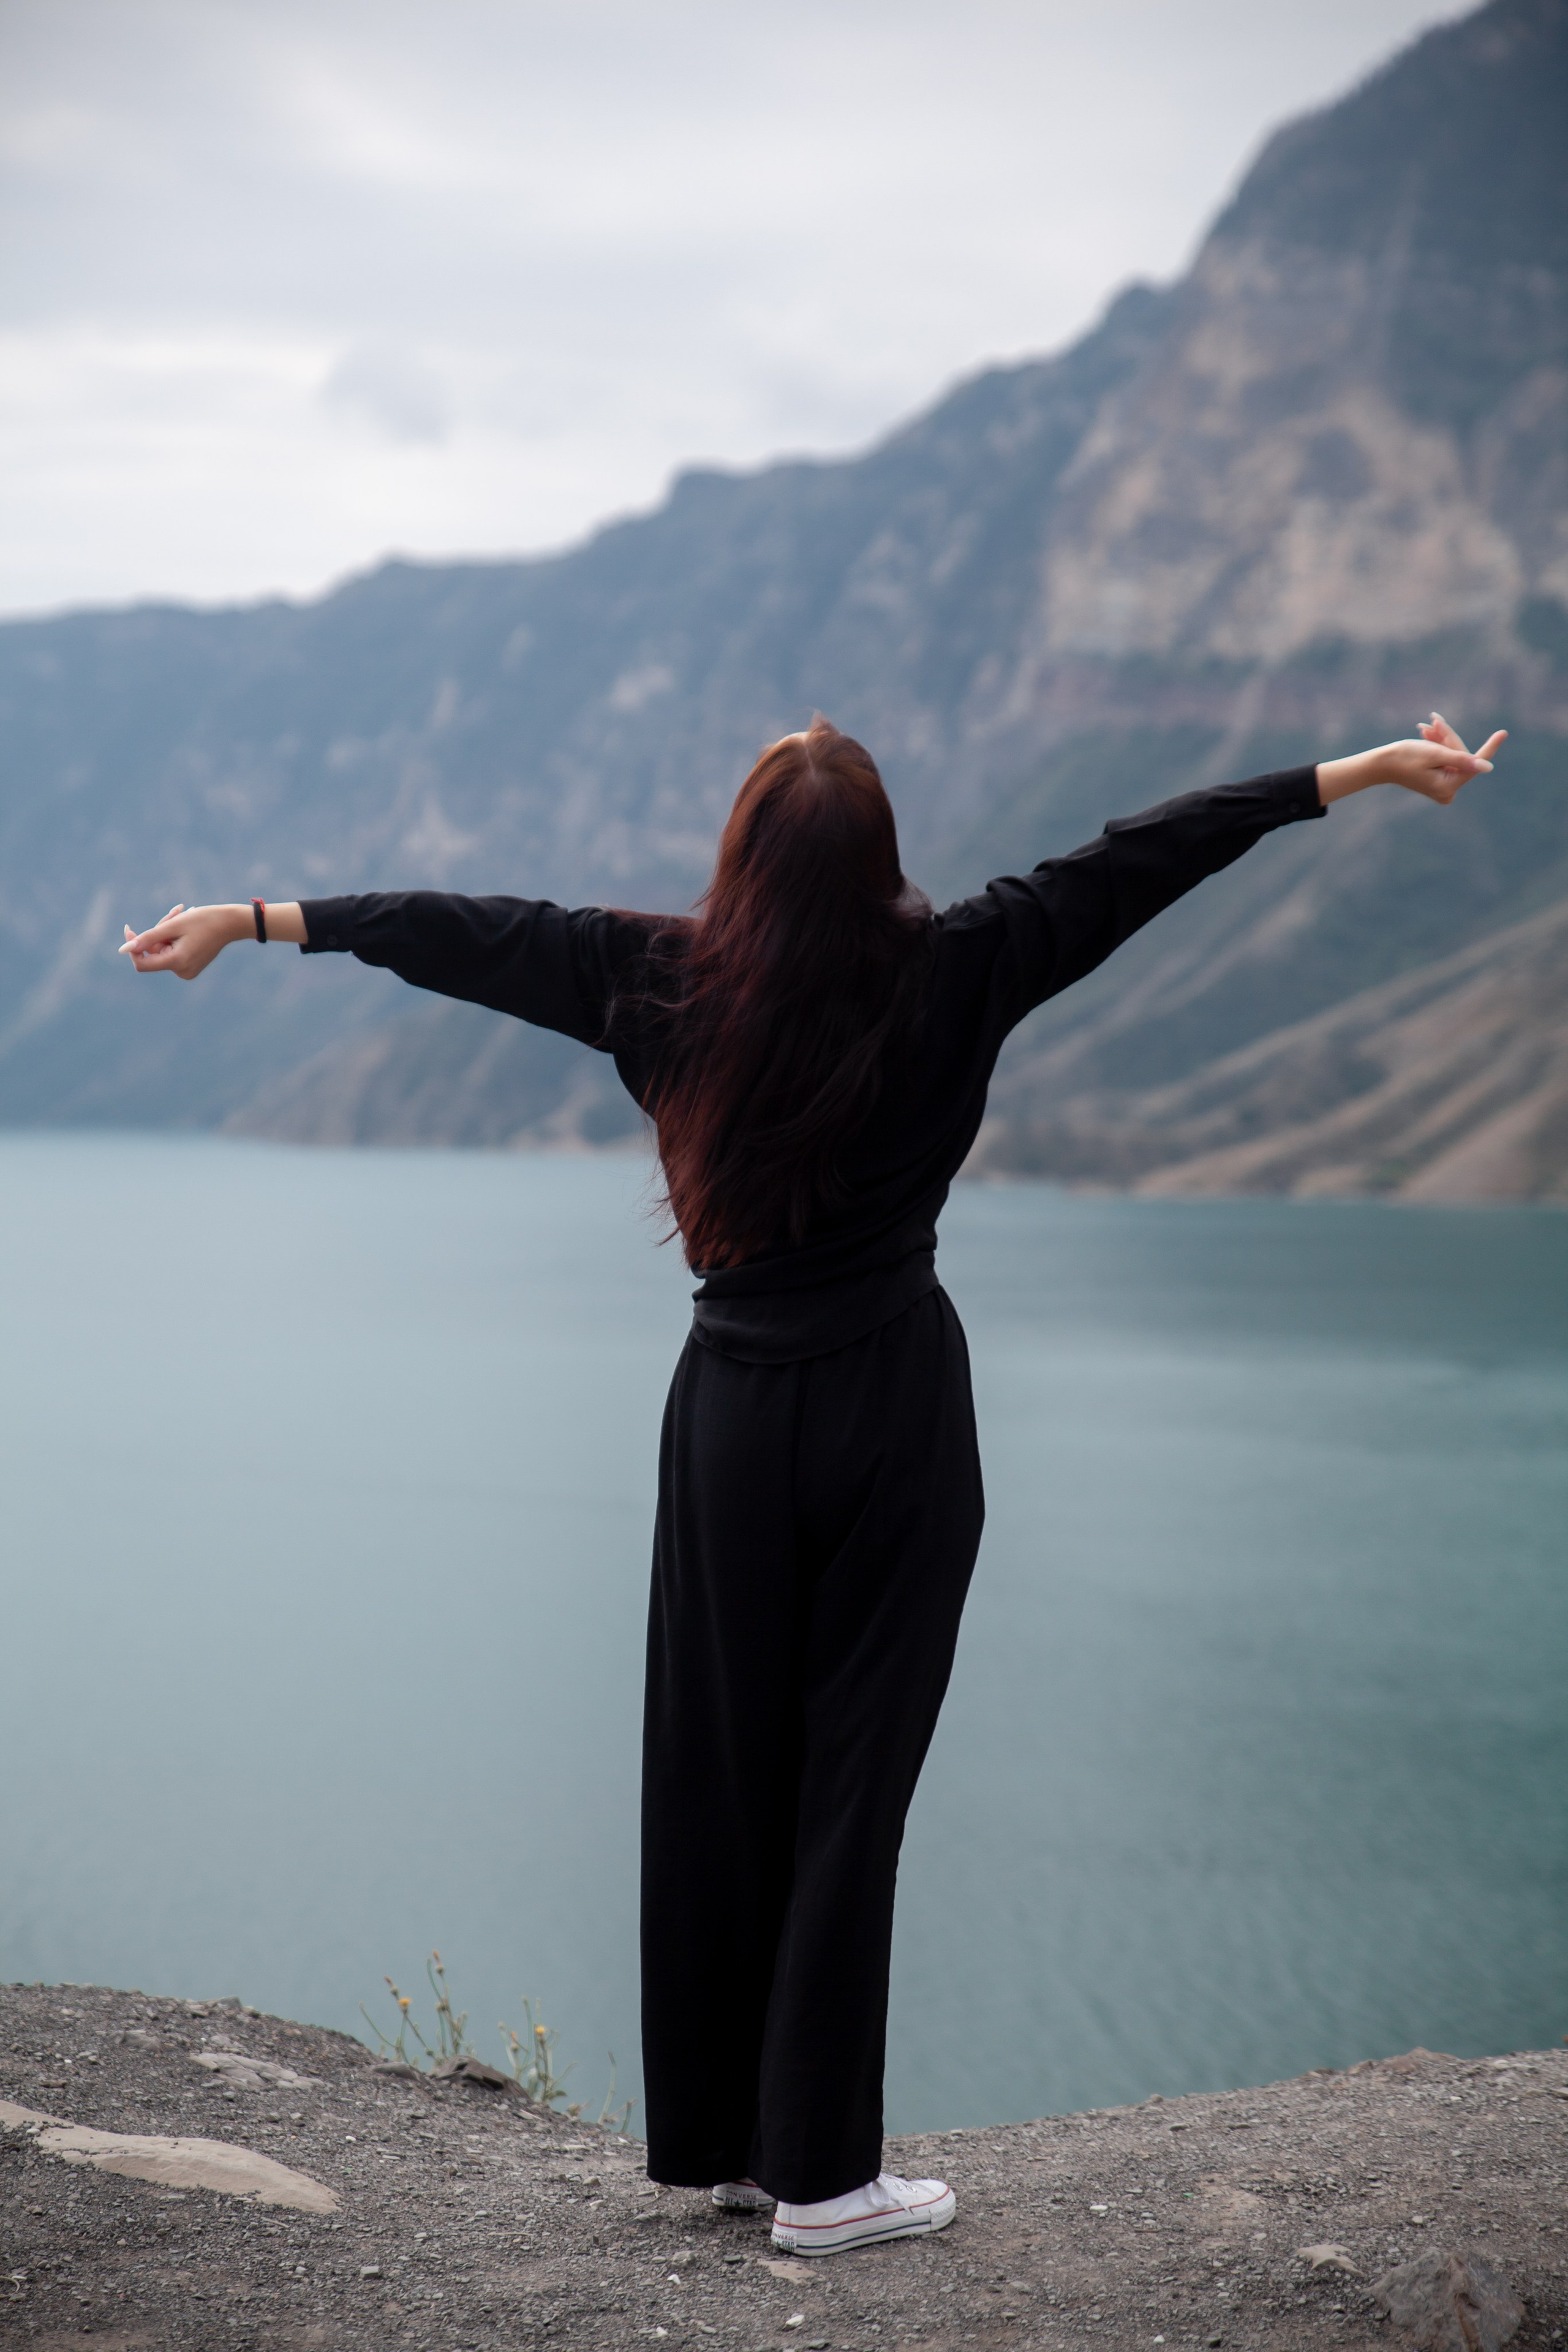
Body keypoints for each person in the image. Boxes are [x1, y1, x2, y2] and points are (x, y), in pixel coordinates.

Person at [121, 707, 1504, 2255]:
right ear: (880, 857)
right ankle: (828, 2182)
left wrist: (253, 919)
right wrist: (1355, 774)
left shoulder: (655, 976)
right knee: (849, 1792)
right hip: (890, 1404)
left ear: (742, 859)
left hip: (726, 1410)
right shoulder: (964, 961)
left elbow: (464, 931)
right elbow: (1146, 854)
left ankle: (732, 2148)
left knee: (718, 1771)